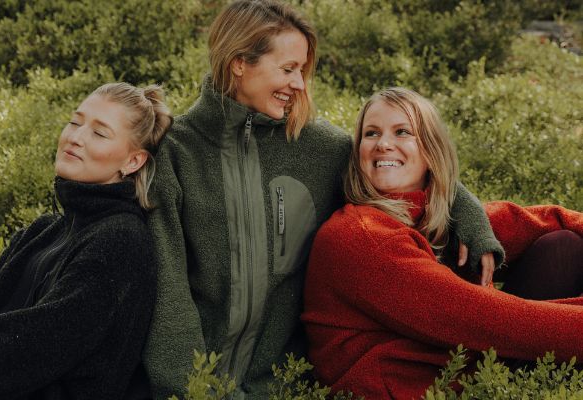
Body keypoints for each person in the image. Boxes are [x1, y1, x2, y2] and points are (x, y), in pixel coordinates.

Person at [142, 1, 502, 398]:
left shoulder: (318, 147)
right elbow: (169, 293)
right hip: (191, 389)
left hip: (284, 389)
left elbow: (406, 165)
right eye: (288, 69)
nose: (299, 84)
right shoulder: (176, 152)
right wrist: (189, 390)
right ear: (239, 62)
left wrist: (471, 219)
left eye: (302, 70)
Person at [302, 87, 583, 399]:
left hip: (459, 367)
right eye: (371, 133)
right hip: (413, 388)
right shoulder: (361, 235)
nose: (383, 144)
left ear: (431, 151)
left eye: (401, 132)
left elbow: (522, 222)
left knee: (562, 245)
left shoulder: (427, 215)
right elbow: (486, 319)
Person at [0, 82, 172, 399]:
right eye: (75, 122)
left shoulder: (120, 241)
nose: (76, 137)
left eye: (99, 133)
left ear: (133, 161)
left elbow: (36, 345)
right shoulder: (46, 230)